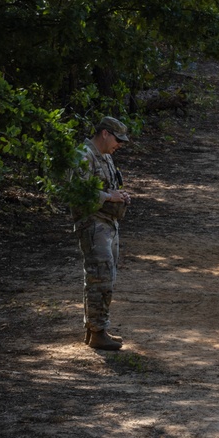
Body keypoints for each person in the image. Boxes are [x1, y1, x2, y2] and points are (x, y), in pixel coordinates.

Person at [71, 117, 132, 350]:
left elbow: (106, 187)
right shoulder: (83, 155)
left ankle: (96, 329)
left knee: (105, 277)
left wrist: (119, 195)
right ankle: (97, 332)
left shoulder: (106, 156)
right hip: (93, 225)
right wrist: (109, 197)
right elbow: (78, 193)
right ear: (105, 133)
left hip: (108, 223)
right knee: (100, 277)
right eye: (118, 139)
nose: (120, 145)